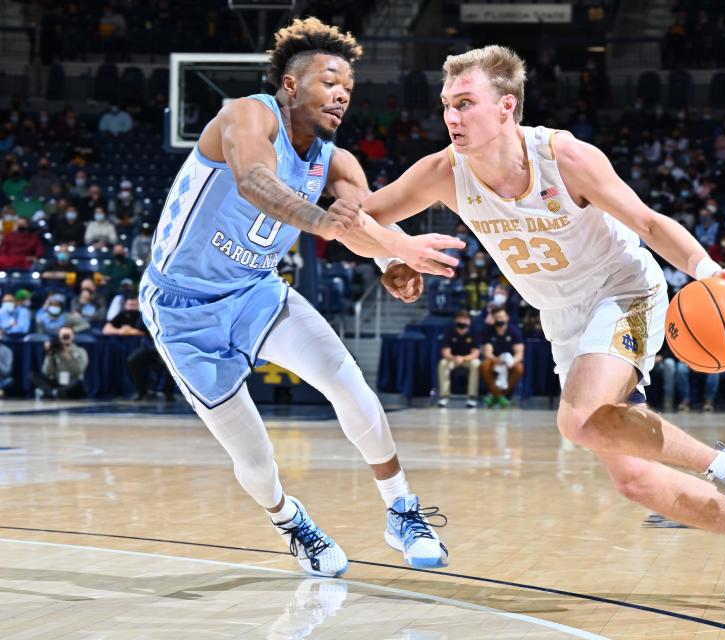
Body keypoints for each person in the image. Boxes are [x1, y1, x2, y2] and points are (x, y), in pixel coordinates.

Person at [362, 44, 725, 603]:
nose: (451, 118)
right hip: (562, 318)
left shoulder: (565, 157)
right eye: (446, 106)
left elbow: (649, 222)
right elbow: (363, 217)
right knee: (638, 480)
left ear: (507, 106)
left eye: (465, 103)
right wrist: (393, 256)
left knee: (578, 419)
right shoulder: (444, 172)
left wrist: (709, 270)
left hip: (623, 290)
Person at [139, 18, 461, 577]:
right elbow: (254, 184)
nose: (341, 94)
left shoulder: (338, 162)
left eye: (349, 89)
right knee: (254, 457)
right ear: (291, 86)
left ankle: (402, 510)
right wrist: (330, 226)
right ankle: (291, 521)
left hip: (255, 292)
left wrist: (392, 260)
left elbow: (361, 220)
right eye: (329, 81)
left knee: (345, 378)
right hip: (181, 307)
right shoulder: (247, 113)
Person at [479, 305, 524, 407]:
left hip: (510, 361)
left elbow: (519, 353)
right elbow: (487, 352)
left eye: (502, 316)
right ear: (493, 319)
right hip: (495, 361)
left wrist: (511, 362)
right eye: (497, 317)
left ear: (507, 317)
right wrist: (496, 359)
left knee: (519, 368)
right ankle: (500, 396)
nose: (500, 319)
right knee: (484, 365)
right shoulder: (488, 331)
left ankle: (497, 395)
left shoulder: (514, 331)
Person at [436, 309, 480, 408]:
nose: (462, 322)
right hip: (453, 359)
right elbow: (445, 352)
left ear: (469, 321)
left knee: (476, 363)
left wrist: (463, 358)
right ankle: (444, 396)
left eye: (465, 319)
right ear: (456, 320)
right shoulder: (449, 332)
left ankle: (472, 397)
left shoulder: (473, 332)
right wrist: (455, 358)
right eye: (460, 319)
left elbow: (475, 353)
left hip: (468, 360)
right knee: (443, 363)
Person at [30, 325, 87, 399]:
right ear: (59, 336)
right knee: (33, 375)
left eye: (67, 336)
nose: (65, 338)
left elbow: (78, 371)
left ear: (73, 336)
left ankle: (50, 392)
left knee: (79, 382)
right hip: (57, 381)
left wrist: (67, 356)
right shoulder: (55, 351)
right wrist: (49, 355)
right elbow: (46, 372)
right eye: (63, 336)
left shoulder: (80, 351)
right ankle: (53, 392)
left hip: (71, 382)